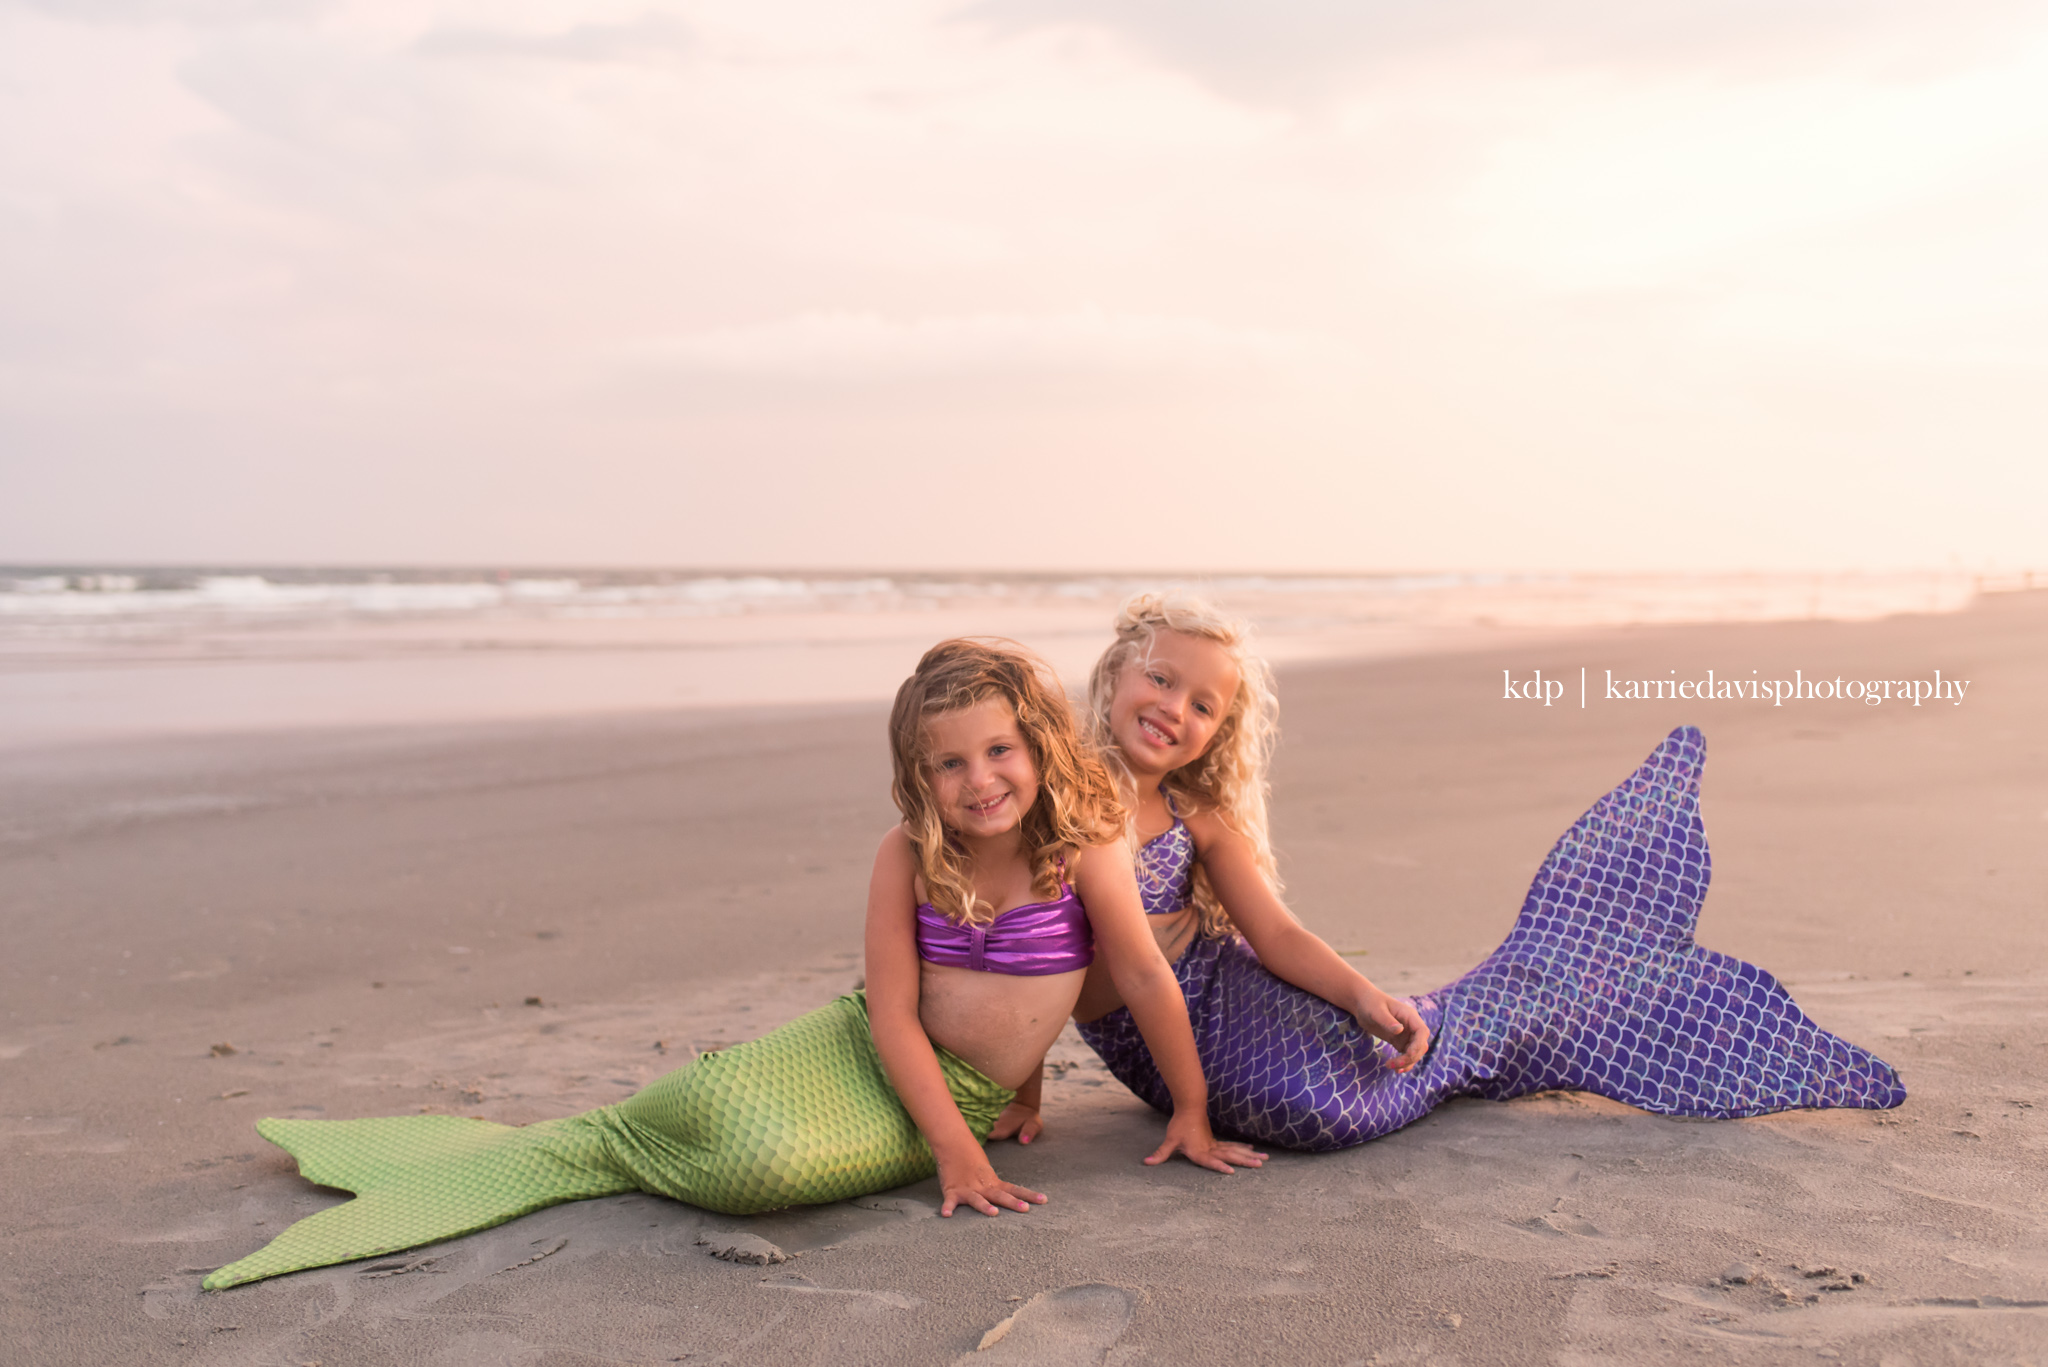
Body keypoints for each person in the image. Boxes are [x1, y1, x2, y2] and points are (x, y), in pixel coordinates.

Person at [202, 638, 1256, 1291]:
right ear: (918, 773)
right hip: (862, 1051)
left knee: (762, 1173)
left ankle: (596, 1144)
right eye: (948, 761)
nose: (978, 779)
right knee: (727, 1108)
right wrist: (955, 1152)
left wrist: (1188, 1108)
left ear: (1035, 742)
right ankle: (594, 1135)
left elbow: (1137, 977)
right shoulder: (903, 855)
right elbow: (890, 1011)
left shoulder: (1081, 848)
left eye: (997, 750)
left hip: (960, 1091)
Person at [1002, 593, 1904, 1152]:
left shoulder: (1198, 818)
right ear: (1116, 671)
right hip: (1152, 1036)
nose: (1174, 709)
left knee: (1340, 1101)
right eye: (1161, 680)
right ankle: (1522, 1007)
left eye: (1204, 704)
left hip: (1223, 993)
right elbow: (1029, 943)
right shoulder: (1049, 795)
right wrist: (1025, 1085)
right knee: (1320, 1111)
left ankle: (1510, 1013)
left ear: (1220, 731)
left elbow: (1274, 935)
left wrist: (1361, 996)